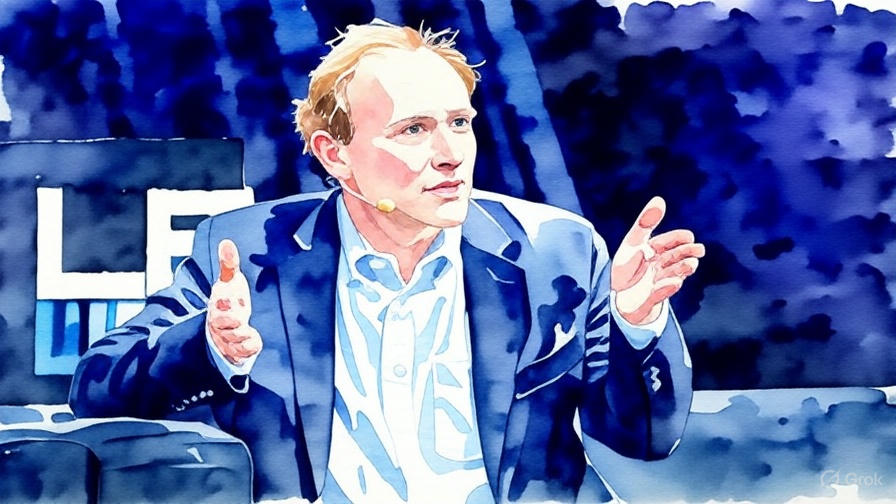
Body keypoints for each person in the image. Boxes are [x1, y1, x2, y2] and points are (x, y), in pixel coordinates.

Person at [70, 20, 703, 503]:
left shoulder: (556, 251)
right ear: (335, 154)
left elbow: (645, 439)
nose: (451, 153)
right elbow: (95, 387)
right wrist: (211, 346)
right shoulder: (251, 251)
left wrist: (634, 326)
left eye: (460, 123)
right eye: (414, 130)